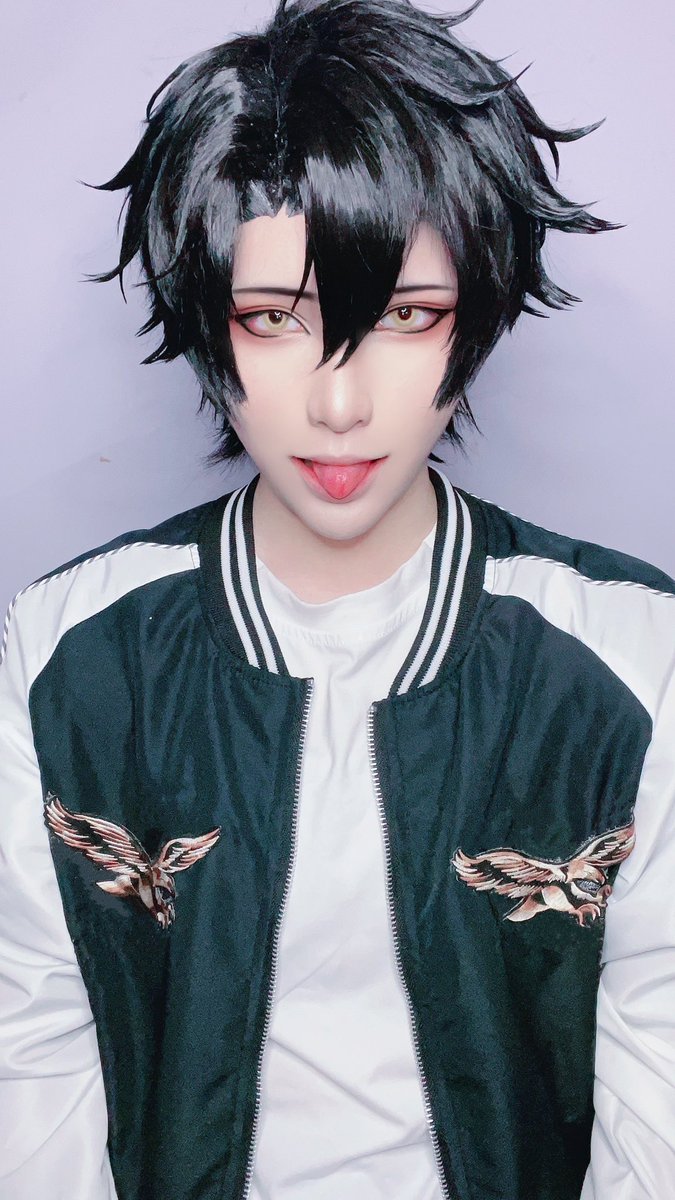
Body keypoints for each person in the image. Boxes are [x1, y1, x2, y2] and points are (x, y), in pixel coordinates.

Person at [0, 0, 673, 1197]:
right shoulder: (63, 653)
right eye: (274, 320)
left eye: (407, 317)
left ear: (477, 320)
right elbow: (30, 1060)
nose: (340, 403)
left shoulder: (632, 655)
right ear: (209, 321)